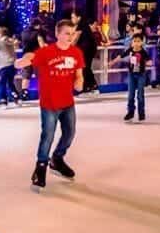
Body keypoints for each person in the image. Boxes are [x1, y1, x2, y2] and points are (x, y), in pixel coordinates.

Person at [14, 19, 84, 192]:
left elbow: (79, 73)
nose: (70, 37)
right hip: (49, 103)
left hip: (67, 102)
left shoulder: (76, 52)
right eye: (67, 33)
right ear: (58, 34)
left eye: (72, 33)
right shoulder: (46, 52)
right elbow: (25, 61)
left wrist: (79, 81)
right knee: (48, 135)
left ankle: (57, 159)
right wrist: (23, 60)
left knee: (69, 133)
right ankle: (41, 167)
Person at [112, 34, 150, 123]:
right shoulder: (130, 50)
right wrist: (112, 62)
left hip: (141, 74)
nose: (136, 43)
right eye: (134, 41)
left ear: (141, 43)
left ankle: (141, 113)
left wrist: (149, 62)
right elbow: (121, 56)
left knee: (140, 94)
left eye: (138, 41)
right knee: (130, 94)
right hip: (131, 74)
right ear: (132, 43)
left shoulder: (143, 52)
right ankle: (130, 112)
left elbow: (149, 60)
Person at [70, 12, 99, 95]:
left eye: (73, 17)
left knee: (83, 68)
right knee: (86, 68)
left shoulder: (80, 25)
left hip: (86, 50)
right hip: (89, 49)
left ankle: (87, 88)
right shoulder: (84, 25)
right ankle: (92, 86)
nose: (72, 19)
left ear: (79, 18)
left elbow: (75, 39)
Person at [17, 19, 46, 101]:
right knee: (40, 76)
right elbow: (42, 45)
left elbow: (18, 43)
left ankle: (24, 95)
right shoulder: (38, 33)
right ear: (36, 25)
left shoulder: (23, 33)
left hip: (26, 56)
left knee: (26, 76)